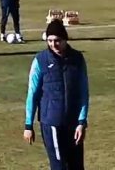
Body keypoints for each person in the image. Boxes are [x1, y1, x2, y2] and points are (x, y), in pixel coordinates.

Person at [23, 18, 88, 170]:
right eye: (50, 40)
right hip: (51, 122)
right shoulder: (40, 61)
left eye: (57, 40)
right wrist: (28, 125)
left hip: (73, 123)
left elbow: (83, 91)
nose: (53, 44)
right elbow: (32, 93)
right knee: (59, 166)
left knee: (77, 166)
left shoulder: (77, 59)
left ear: (65, 39)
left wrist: (81, 122)